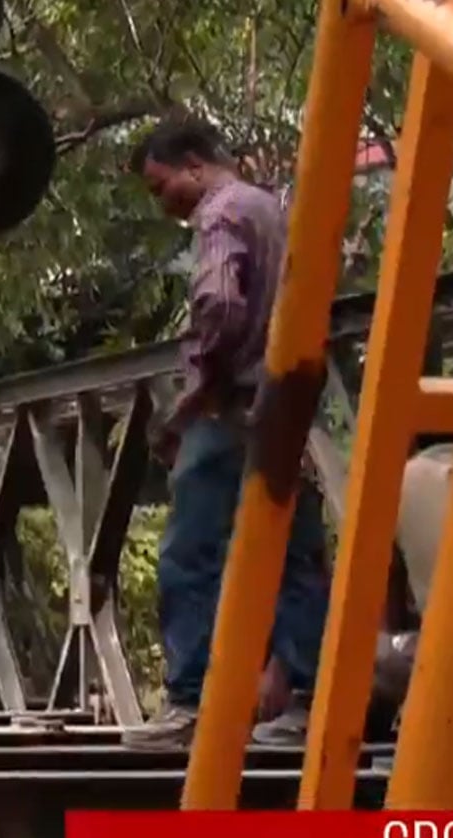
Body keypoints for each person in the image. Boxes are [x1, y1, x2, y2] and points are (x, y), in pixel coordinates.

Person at [119, 117, 329, 750]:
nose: (165, 203)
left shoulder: (220, 214)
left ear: (193, 165)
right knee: (296, 557)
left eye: (162, 187)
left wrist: (195, 393)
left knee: (190, 554)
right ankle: (311, 704)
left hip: (232, 404)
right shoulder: (272, 208)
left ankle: (191, 703)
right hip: (285, 405)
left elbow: (220, 302)